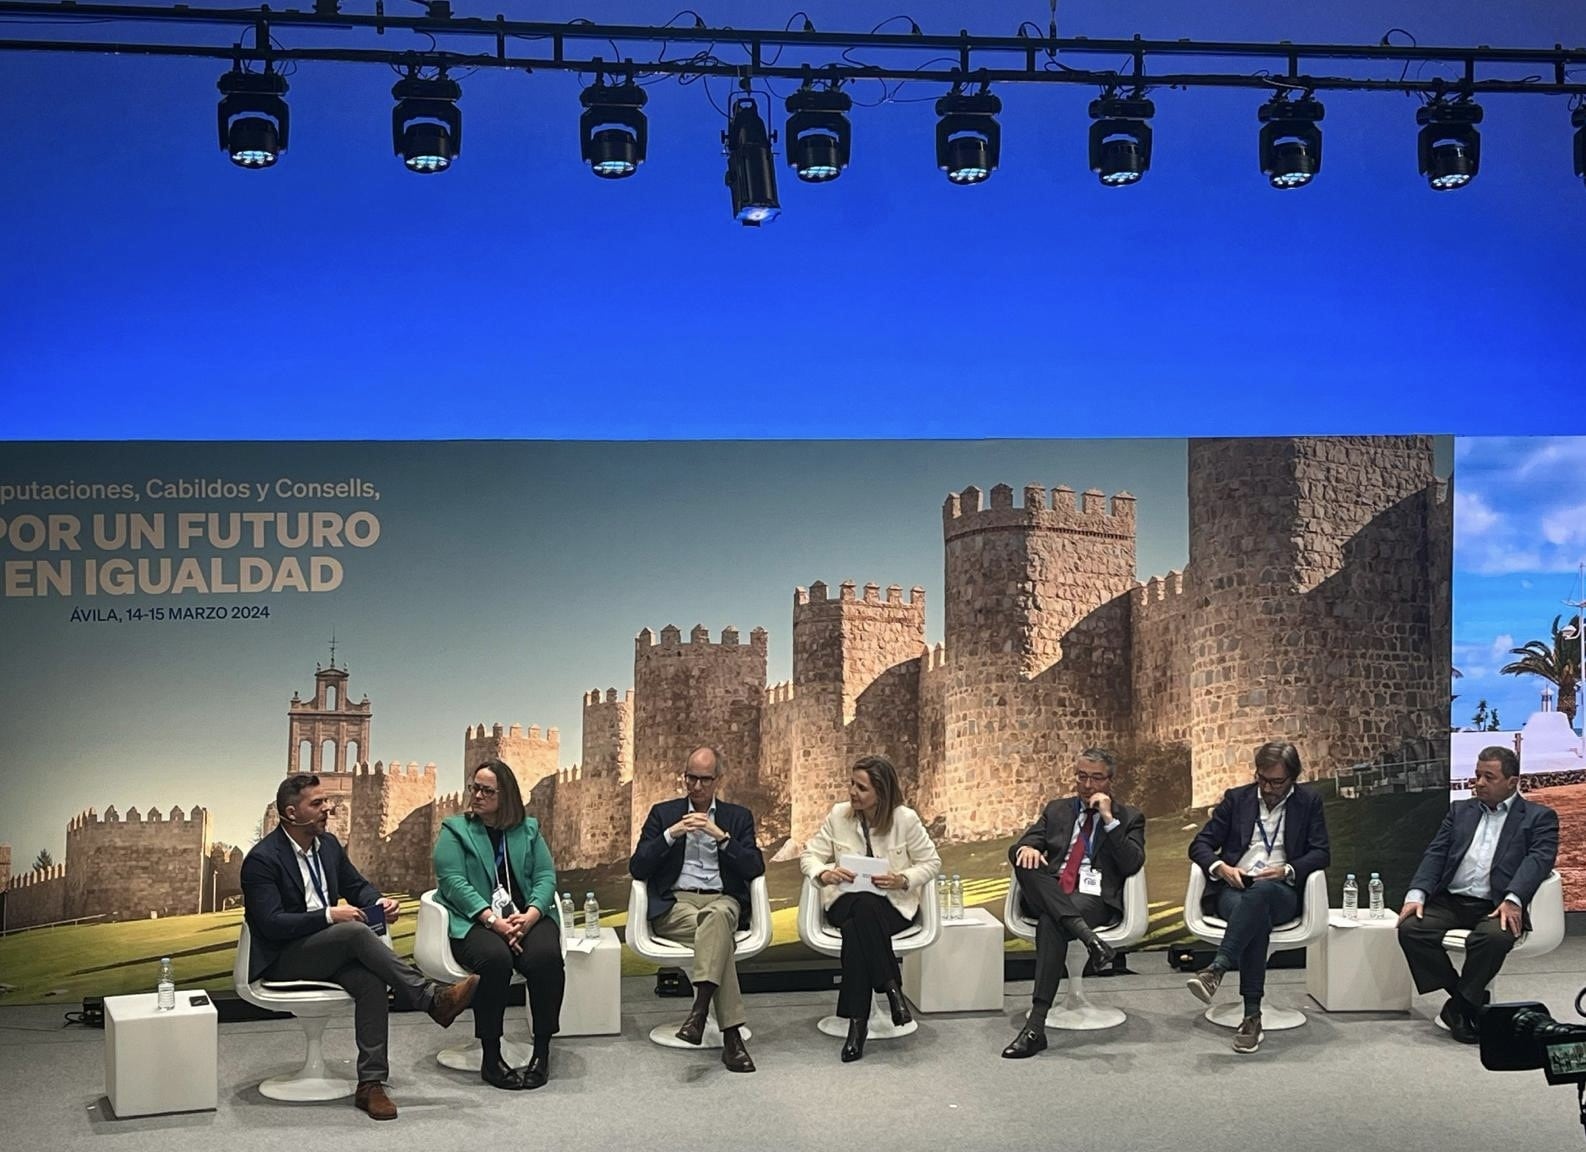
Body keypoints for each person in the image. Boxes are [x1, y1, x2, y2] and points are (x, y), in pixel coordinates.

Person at [241, 774, 478, 1120]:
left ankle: (370, 1083)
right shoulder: (262, 860)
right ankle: (430, 998)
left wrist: (379, 902)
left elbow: (357, 886)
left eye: (326, 801)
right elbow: (270, 923)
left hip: (325, 953)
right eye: (317, 803)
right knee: (351, 931)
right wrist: (328, 915)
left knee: (369, 982)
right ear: (291, 813)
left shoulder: (330, 846)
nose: (327, 808)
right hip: (282, 958)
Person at [1396, 746, 1559, 1043]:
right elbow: (1436, 853)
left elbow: (1539, 862)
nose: (1479, 783)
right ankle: (1465, 1001)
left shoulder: (1539, 818)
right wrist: (1416, 894)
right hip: (1452, 900)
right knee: (1411, 928)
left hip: (1497, 904)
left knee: (1495, 938)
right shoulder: (1460, 811)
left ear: (1512, 782)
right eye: (1477, 775)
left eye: (1489, 777)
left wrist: (1513, 899)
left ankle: (1459, 1008)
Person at [1185, 741, 1330, 1055]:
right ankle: (1252, 1016)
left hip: (1280, 890)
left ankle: (1218, 969)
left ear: (1293, 777)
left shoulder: (1308, 802)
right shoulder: (1238, 799)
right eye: (1262, 779)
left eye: (1276, 782)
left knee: (1263, 895)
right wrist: (1220, 867)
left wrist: (1286, 870)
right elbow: (1199, 845)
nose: (1267, 788)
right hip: (1236, 887)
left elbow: (1321, 853)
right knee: (1255, 917)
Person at [1002, 747, 1146, 1059]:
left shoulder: (1129, 817)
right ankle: (1089, 938)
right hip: (1050, 887)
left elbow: (1132, 863)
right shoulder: (1057, 810)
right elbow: (1019, 846)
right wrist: (1025, 848)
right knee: (1027, 867)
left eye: (1096, 778)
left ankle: (1034, 1027)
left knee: (1051, 922)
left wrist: (1108, 820)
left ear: (1110, 780)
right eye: (1081, 776)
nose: (1087, 785)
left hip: (1090, 898)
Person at [629, 746, 765, 1073]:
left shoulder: (737, 817)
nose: (697, 786)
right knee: (717, 934)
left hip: (722, 899)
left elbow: (754, 867)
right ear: (684, 776)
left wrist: (721, 837)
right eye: (691, 778)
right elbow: (638, 867)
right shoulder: (663, 813)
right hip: (677, 904)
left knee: (716, 918)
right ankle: (730, 1037)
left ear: (718, 780)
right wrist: (671, 834)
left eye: (705, 779)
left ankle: (700, 1012)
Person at [800, 754, 942, 1063]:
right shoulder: (839, 815)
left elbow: (931, 863)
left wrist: (902, 879)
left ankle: (857, 1025)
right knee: (861, 905)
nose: (852, 792)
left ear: (881, 791)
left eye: (861, 788)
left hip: (891, 907)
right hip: (843, 900)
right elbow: (809, 855)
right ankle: (892, 989)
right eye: (851, 783)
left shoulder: (905, 819)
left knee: (857, 925)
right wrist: (824, 873)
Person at [433, 758, 566, 1089]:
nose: (476, 795)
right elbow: (452, 881)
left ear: (505, 794)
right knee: (496, 959)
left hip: (526, 917)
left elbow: (546, 875)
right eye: (473, 788)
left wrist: (532, 913)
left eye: (486, 790)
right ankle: (491, 1057)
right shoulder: (455, 829)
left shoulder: (529, 830)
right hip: (475, 921)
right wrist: (493, 921)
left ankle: (542, 1052)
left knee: (545, 958)